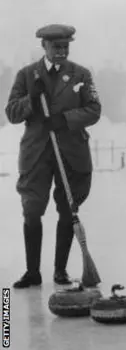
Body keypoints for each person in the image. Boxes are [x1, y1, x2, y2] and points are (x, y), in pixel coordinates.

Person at [5, 24, 101, 288]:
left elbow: (94, 109)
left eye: (65, 47)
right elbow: (11, 113)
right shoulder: (27, 75)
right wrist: (31, 101)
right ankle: (32, 272)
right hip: (36, 154)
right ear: (44, 47)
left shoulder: (81, 74)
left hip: (71, 153)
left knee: (68, 209)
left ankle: (60, 271)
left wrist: (64, 120)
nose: (61, 51)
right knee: (32, 209)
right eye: (56, 47)